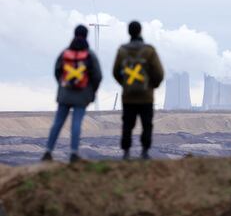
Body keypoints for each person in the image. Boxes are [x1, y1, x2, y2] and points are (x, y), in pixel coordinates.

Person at [42, 25, 102, 163]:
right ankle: (74, 153)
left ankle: (48, 151)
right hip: (82, 95)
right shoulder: (90, 55)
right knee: (76, 123)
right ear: (86, 36)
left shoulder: (65, 53)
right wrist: (92, 90)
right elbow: (97, 76)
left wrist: (62, 85)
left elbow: (57, 71)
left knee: (57, 123)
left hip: (65, 94)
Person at [113, 21, 164, 160]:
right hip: (146, 96)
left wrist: (125, 84)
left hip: (128, 96)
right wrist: (153, 85)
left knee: (127, 124)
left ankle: (126, 152)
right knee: (147, 124)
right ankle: (145, 151)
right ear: (140, 31)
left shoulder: (122, 51)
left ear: (129, 32)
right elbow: (159, 73)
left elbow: (115, 72)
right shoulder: (149, 51)